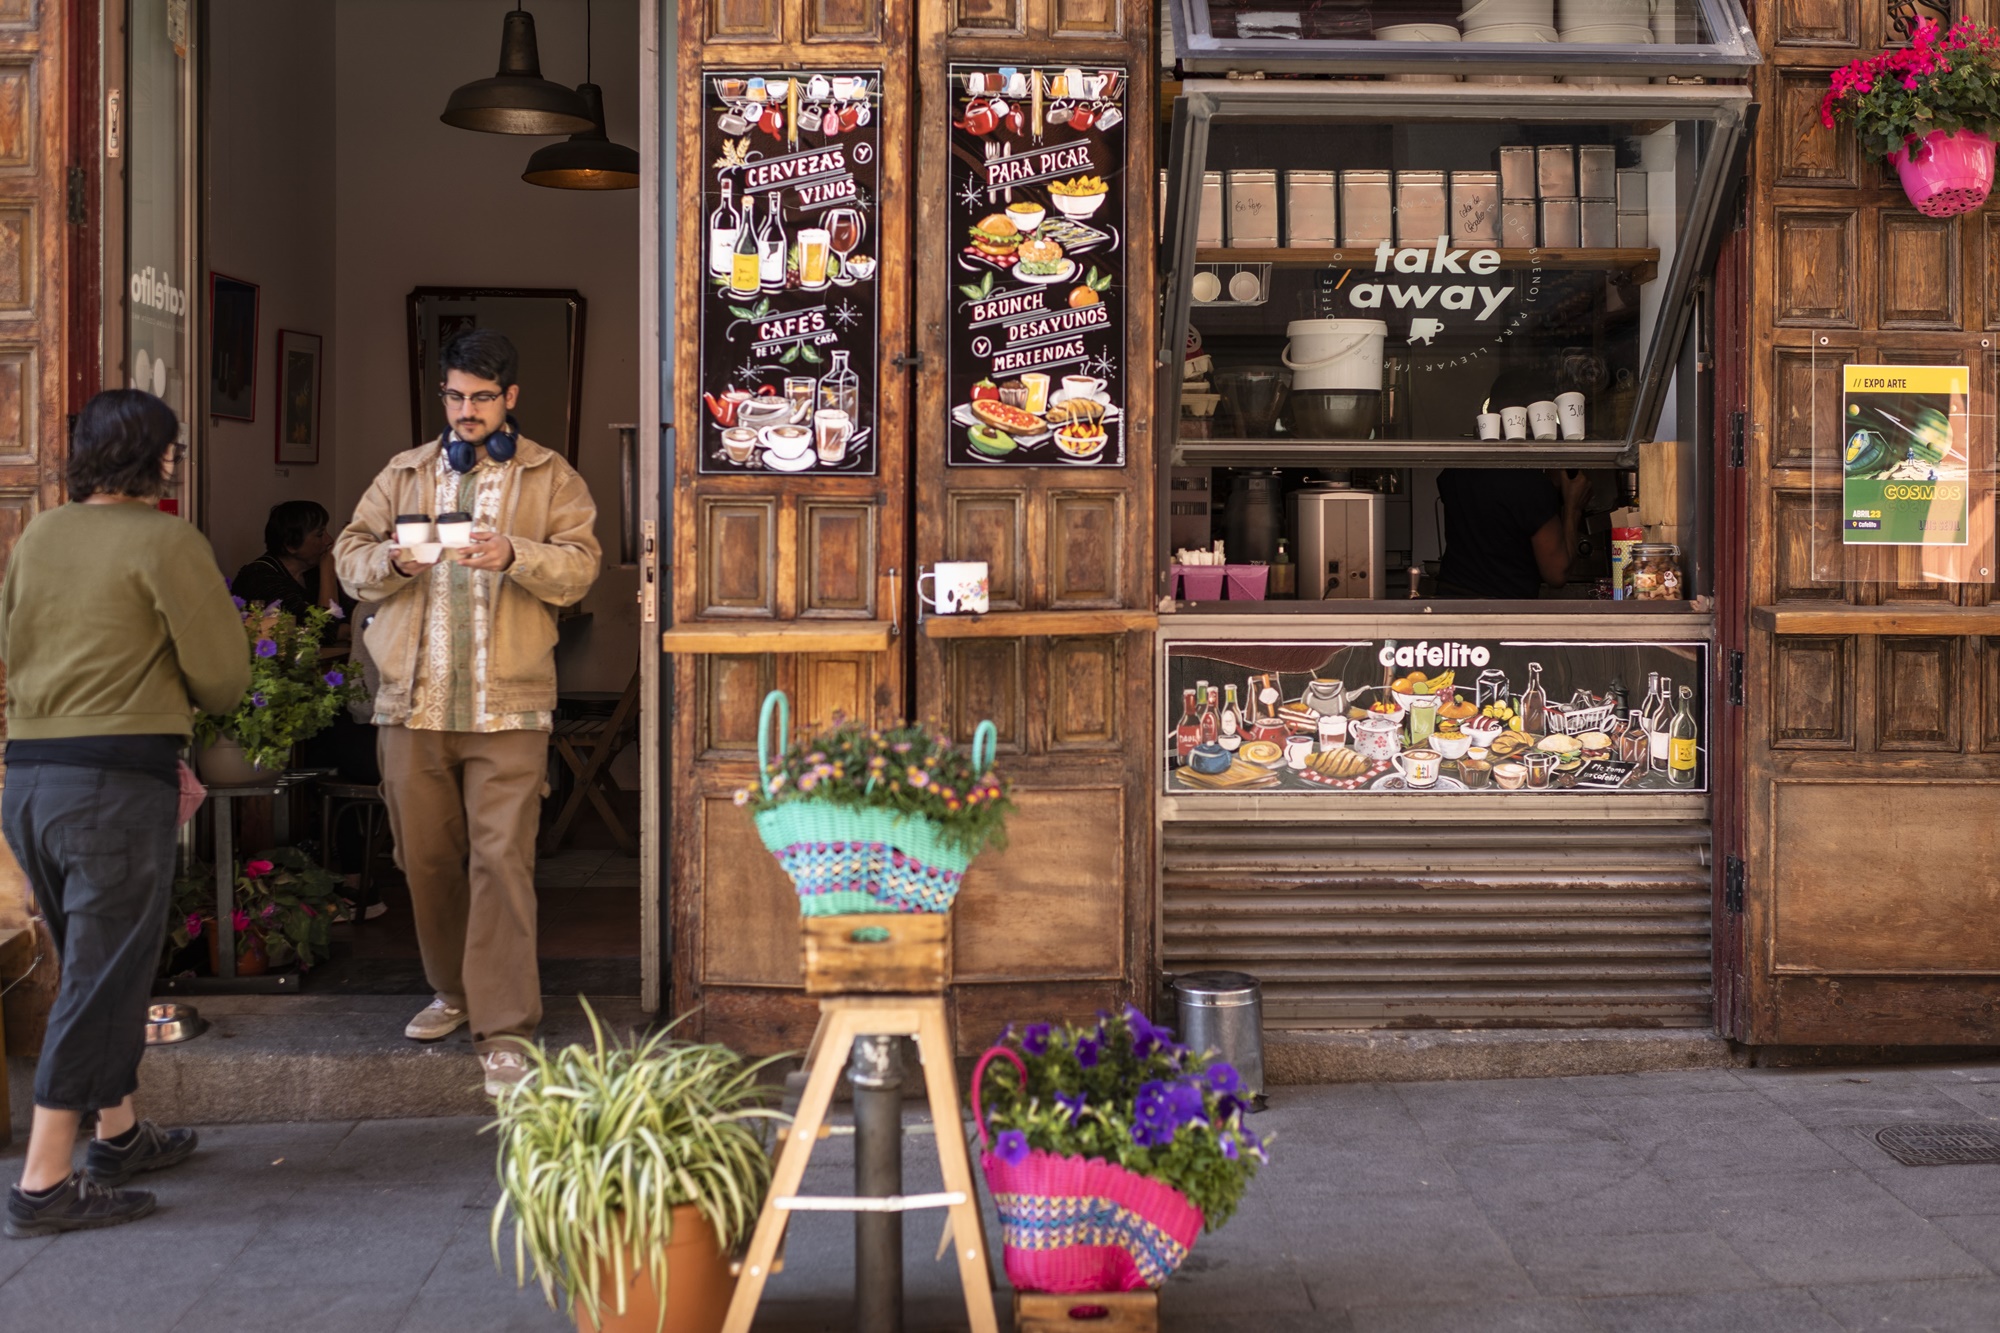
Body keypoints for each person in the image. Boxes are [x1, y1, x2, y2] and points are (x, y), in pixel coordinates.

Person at [0, 389, 250, 1238]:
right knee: (102, 979)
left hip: (30, 776)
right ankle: (42, 1182)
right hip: (114, 782)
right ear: (158, 457)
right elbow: (224, 677)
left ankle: (118, 1134)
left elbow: (12, 644)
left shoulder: (40, 534)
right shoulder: (165, 539)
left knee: (90, 964)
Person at [334, 330, 600, 1096]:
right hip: (411, 705)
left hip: (507, 705)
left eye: (483, 397)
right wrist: (390, 560)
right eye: (455, 396)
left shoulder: (552, 477)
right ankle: (454, 991)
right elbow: (350, 556)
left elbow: (581, 568)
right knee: (425, 863)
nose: (467, 410)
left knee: (503, 864)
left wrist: (516, 554)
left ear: (511, 397)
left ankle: (505, 1025)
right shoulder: (403, 471)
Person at [1434, 467, 1591, 599]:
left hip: (1450, 601)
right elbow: (1557, 574)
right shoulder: (1531, 485)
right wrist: (1573, 508)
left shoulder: (1457, 471)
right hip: (1503, 611)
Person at [231, 500, 339, 619]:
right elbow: (322, 631)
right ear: (291, 545)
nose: (329, 540)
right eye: (319, 535)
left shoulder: (311, 571)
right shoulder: (260, 579)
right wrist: (328, 571)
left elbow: (351, 620)